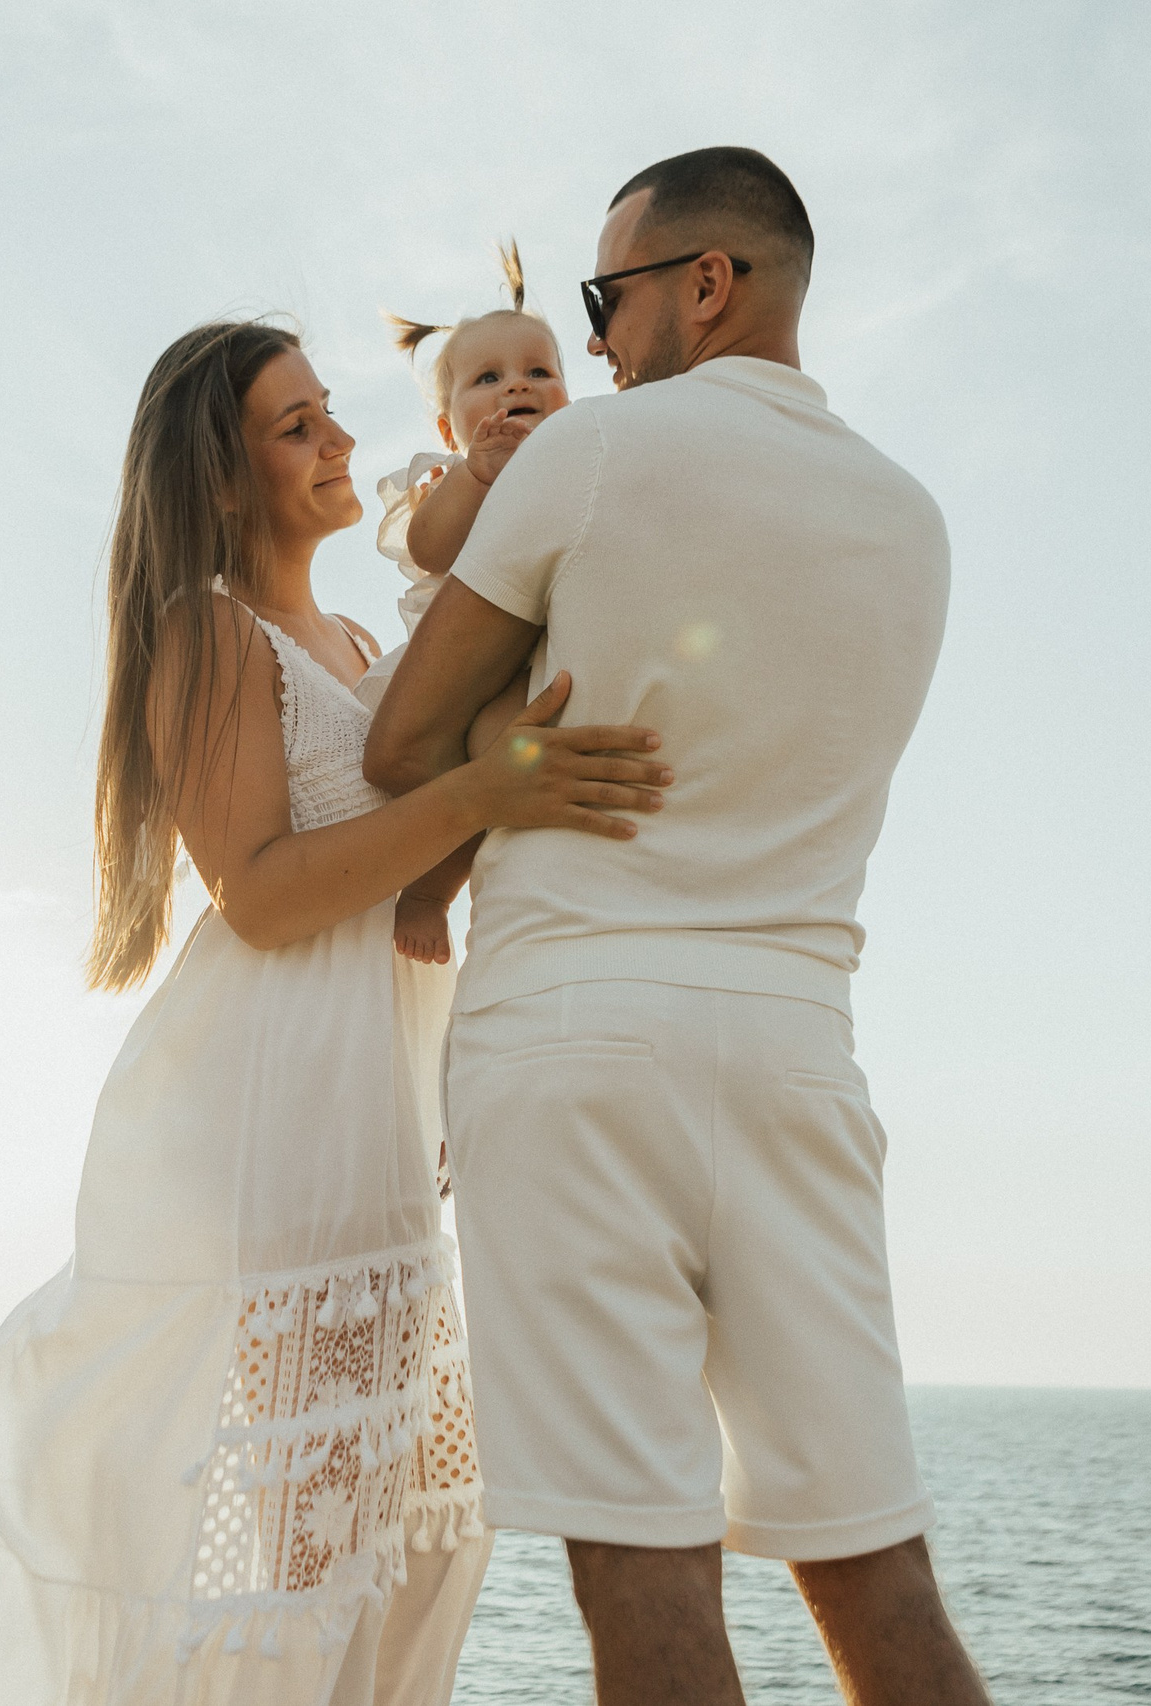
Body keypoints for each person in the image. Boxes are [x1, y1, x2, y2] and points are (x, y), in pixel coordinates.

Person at [0, 318, 675, 1705]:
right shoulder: (209, 631)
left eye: (330, 410)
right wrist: (481, 792)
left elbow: (423, 860)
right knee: (288, 1532)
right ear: (223, 481)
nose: (343, 437)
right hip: (267, 1107)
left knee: (376, 1523)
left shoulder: (356, 635)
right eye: (297, 426)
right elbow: (264, 893)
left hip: (378, 1105)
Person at [366, 148, 992, 1706]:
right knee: (877, 1568)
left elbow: (402, 752)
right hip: (798, 1056)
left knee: (645, 1583)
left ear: (707, 281)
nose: (591, 344)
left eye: (608, 296)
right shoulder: (914, 522)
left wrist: (509, 751)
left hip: (574, 1045)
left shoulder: (593, 461)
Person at [361, 240, 574, 968]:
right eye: (488, 378)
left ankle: (484, 879)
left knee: (505, 750)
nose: (518, 386)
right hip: (455, 656)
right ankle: (428, 890)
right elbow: (429, 548)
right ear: (449, 427)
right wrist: (474, 478)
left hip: (523, 658)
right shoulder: (454, 474)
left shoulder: (577, 458)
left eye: (540, 371)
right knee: (464, 762)